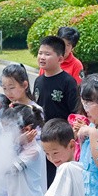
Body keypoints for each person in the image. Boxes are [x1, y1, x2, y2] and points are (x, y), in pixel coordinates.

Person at [33, 36, 79, 185]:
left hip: (61, 141)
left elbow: (75, 113)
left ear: (60, 59)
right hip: (43, 140)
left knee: (62, 180)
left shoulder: (68, 82)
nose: (42, 57)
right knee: (45, 180)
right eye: (40, 53)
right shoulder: (38, 81)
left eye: (47, 54)